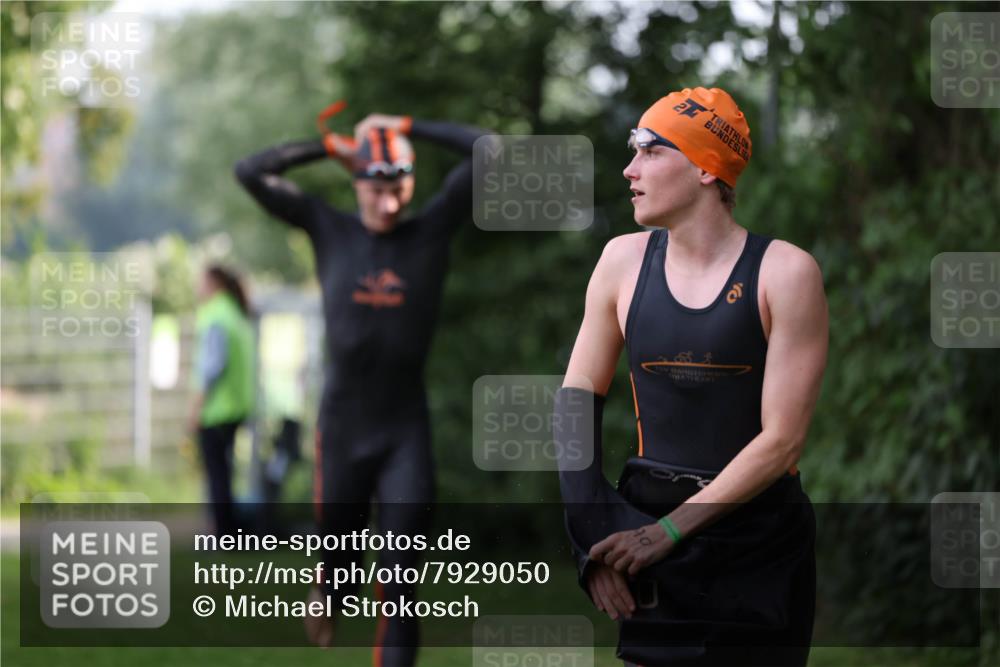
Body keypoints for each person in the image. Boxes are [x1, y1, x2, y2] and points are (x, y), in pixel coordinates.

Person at [555, 86, 828, 666]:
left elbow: (782, 442)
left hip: (758, 545)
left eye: (650, 151)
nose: (630, 169)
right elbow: (574, 401)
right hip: (648, 533)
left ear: (707, 165)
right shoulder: (621, 262)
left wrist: (669, 532)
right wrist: (595, 540)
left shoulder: (786, 273)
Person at [234, 110, 486, 665]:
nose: (390, 203)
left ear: (411, 183)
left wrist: (411, 124)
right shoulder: (329, 227)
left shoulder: (431, 229)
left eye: (399, 189)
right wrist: (329, 147)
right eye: (377, 189)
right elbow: (249, 171)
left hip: (404, 433)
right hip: (342, 432)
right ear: (358, 184)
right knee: (343, 572)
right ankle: (329, 581)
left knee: (399, 587)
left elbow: (494, 151)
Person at [188, 264, 256, 537]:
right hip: (237, 407)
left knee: (217, 475)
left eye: (201, 282)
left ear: (213, 284)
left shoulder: (215, 316)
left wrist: (195, 408)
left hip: (217, 409)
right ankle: (227, 530)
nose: (197, 288)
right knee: (225, 474)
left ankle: (222, 532)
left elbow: (211, 368)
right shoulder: (236, 314)